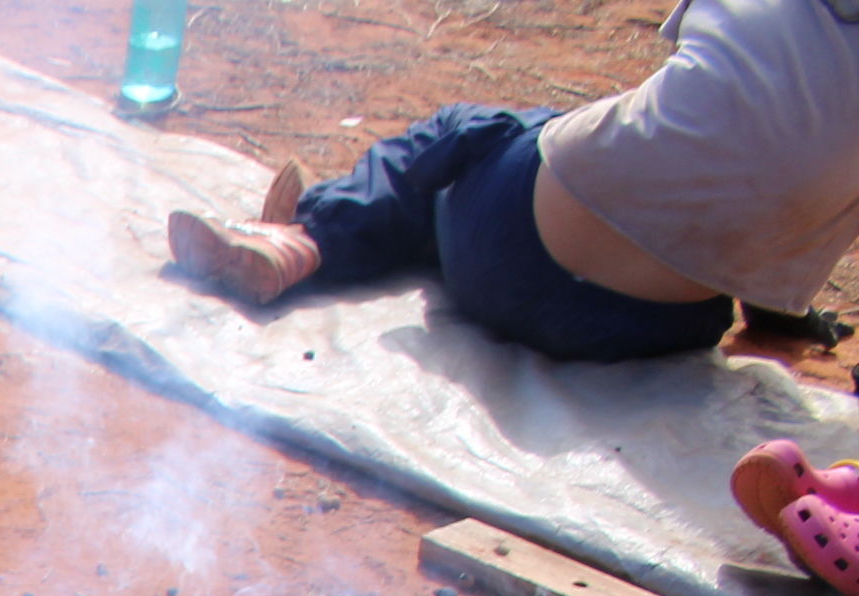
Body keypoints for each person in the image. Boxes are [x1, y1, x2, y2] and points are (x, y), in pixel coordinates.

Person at [165, 0, 859, 364]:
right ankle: (356, 226)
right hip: (650, 334)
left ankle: (308, 235)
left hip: (503, 252)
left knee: (470, 132)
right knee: (500, 167)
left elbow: (708, 125)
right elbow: (763, 171)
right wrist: (787, 320)